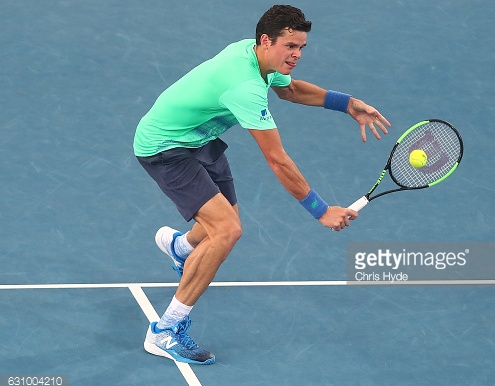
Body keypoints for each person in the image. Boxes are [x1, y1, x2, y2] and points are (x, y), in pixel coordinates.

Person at [134, 4, 390, 365]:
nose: (297, 55)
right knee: (226, 231)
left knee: (218, 227)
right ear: (266, 40)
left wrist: (346, 104)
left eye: (301, 48)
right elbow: (277, 159)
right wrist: (320, 210)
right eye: (290, 47)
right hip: (166, 148)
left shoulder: (254, 54)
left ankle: (180, 247)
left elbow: (292, 91)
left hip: (198, 140)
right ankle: (164, 331)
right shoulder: (245, 86)